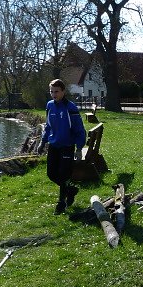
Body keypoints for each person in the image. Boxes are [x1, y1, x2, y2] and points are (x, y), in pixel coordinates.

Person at [38, 79, 87, 214]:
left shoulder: (70, 107)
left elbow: (79, 129)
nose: (54, 94)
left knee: (63, 175)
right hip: (54, 145)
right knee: (51, 174)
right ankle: (70, 191)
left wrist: (78, 148)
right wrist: (43, 142)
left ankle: (61, 203)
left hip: (67, 146)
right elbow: (48, 126)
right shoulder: (49, 106)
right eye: (51, 91)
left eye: (57, 91)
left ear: (63, 92)